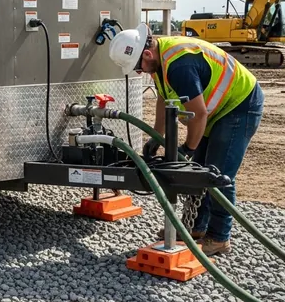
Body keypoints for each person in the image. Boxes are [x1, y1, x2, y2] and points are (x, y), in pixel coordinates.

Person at [108, 23, 264, 256]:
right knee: (199, 171)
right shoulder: (160, 63)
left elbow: (198, 114)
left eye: (138, 67)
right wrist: (157, 136)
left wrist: (189, 148)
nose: (139, 72)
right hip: (218, 109)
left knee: (219, 174)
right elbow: (164, 97)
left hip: (239, 105)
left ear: (147, 54)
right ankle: (195, 228)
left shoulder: (180, 65)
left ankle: (219, 238)